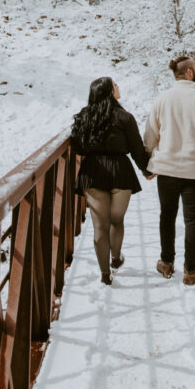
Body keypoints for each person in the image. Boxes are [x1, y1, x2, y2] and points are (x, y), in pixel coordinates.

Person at [144, 55, 195, 285]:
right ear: (188, 72)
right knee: (192, 221)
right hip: (194, 170)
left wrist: (151, 162)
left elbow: (150, 136)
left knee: (167, 216)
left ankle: (166, 263)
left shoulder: (162, 99)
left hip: (167, 169)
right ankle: (191, 270)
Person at [71, 76, 151, 285]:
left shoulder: (84, 117)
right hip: (120, 171)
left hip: (93, 172)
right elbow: (136, 148)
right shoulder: (125, 117)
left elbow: (78, 147)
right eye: (115, 85)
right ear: (108, 91)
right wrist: (146, 170)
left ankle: (105, 274)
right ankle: (116, 258)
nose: (118, 87)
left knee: (100, 226)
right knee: (117, 219)